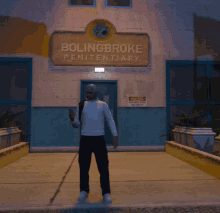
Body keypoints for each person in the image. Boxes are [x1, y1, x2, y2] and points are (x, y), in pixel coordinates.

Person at [69, 84, 118, 204]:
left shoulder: (103, 105)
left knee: (103, 167)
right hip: (85, 139)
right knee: (84, 167)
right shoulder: (81, 105)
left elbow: (110, 120)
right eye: (87, 92)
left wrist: (115, 135)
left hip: (99, 140)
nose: (88, 94)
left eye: (90, 92)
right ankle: (84, 190)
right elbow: (77, 124)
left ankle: (106, 192)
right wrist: (72, 120)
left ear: (95, 92)